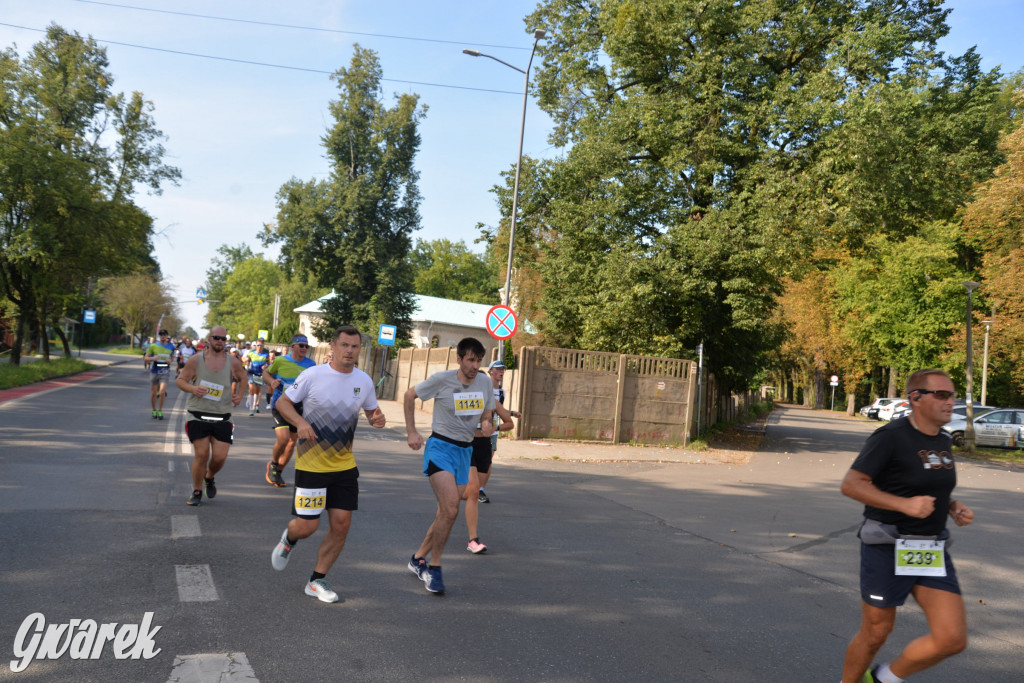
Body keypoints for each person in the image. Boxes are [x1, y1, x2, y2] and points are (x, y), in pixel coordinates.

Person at [840, 369, 975, 683]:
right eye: (941, 395)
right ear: (915, 398)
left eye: (953, 395)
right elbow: (852, 484)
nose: (950, 401)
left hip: (929, 547)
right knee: (876, 632)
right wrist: (905, 505)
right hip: (888, 544)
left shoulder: (942, 439)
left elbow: (927, 482)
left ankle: (884, 678)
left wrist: (953, 505)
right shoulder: (890, 437)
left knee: (952, 638)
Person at [270, 326, 386, 603]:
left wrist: (376, 418)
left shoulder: (364, 380)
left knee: (341, 525)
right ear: (332, 347)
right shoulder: (312, 375)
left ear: (359, 350)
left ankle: (316, 579)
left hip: (344, 465)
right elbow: (284, 403)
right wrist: (299, 422)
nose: (349, 351)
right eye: (344, 345)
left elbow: (371, 410)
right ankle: (289, 538)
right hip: (311, 464)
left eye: (354, 347)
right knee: (307, 527)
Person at [404, 337, 494, 594]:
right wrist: (411, 432)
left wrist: (487, 424)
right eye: (471, 360)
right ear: (459, 359)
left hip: (466, 451)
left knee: (445, 513)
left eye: (479, 361)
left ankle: (417, 558)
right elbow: (410, 395)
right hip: (440, 448)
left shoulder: (485, 382)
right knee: (452, 508)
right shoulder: (442, 379)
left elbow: (487, 413)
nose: (476, 366)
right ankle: (435, 568)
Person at [175, 326, 247, 506]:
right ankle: (197, 490)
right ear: (209, 339)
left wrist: (240, 395)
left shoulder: (233, 362)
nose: (219, 341)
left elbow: (243, 378)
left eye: (223, 339)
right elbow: (180, 380)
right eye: (216, 337)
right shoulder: (195, 360)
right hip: (197, 414)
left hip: (223, 416)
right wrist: (193, 388)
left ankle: (209, 476)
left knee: (220, 457)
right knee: (202, 454)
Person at [463, 360, 518, 553]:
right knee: (475, 491)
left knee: (472, 491)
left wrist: (495, 428)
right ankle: (473, 540)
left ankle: (456, 495)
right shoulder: (465, 400)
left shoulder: (492, 402)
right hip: (467, 444)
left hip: (484, 446)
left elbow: (510, 423)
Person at [262, 335, 316, 487]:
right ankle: (273, 463)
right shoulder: (280, 360)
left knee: (292, 443)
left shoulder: (311, 365)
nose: (304, 348)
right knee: (284, 438)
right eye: (301, 345)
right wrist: (272, 381)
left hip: (298, 407)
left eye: (306, 346)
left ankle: (278, 471)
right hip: (280, 404)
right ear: (293, 347)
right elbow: (266, 373)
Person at [475, 360, 522, 505]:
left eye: (503, 369)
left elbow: (499, 409)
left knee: (487, 460)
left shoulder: (501, 392)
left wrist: (511, 413)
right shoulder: (477, 388)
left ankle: (480, 489)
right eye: (498, 369)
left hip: (491, 430)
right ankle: (470, 487)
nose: (501, 372)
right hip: (471, 431)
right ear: (490, 371)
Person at [144, 329, 176, 419]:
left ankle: (160, 410)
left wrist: (170, 360)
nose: (163, 336)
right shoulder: (153, 346)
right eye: (161, 335)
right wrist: (152, 358)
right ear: (159, 336)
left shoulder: (171, 346)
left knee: (162, 392)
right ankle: (154, 410)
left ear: (167, 336)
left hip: (165, 372)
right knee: (154, 392)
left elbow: (172, 357)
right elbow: (145, 358)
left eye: (164, 335)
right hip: (154, 372)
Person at [244, 340, 270, 416]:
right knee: (251, 389)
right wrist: (247, 367)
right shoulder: (251, 353)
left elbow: (269, 365)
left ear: (263, 346)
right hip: (252, 373)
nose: (259, 347)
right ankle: (251, 408)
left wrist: (265, 366)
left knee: (257, 391)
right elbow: (247, 361)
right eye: (257, 345)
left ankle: (254, 405)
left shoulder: (266, 355)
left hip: (259, 374)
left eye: (261, 345)